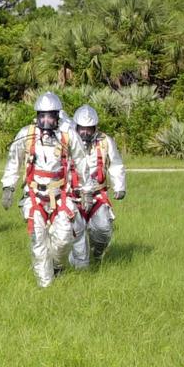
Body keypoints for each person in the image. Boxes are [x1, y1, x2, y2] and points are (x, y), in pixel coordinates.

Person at [0, 92, 90, 288]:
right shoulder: (26, 134)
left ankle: (57, 265)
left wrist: (86, 191)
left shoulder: (68, 135)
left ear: (57, 116)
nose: (46, 120)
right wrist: (8, 187)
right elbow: (13, 161)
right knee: (38, 241)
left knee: (64, 239)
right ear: (37, 115)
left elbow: (82, 162)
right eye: (43, 116)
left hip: (61, 196)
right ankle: (45, 285)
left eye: (50, 116)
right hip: (34, 197)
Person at [69, 104, 127, 268]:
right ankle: (79, 267)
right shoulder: (67, 141)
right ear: (76, 126)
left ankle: (98, 253)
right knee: (76, 232)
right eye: (82, 128)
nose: (85, 132)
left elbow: (116, 164)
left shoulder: (105, 141)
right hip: (73, 195)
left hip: (97, 194)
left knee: (103, 229)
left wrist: (119, 186)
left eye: (89, 128)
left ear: (95, 128)